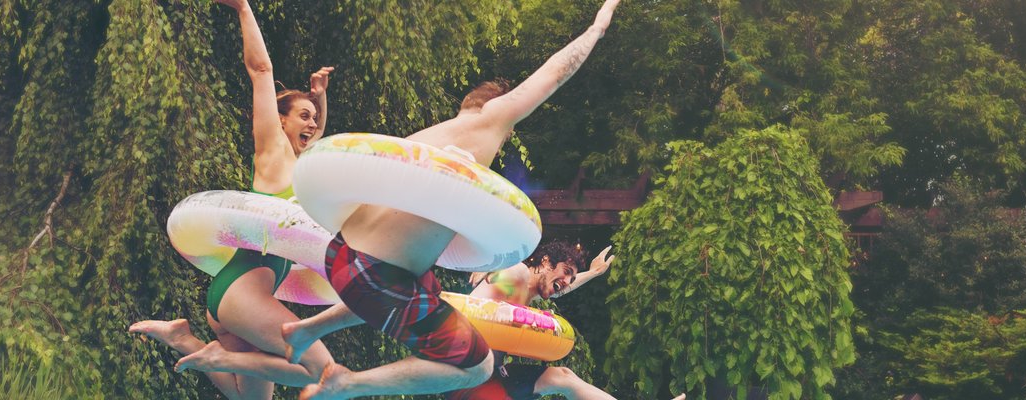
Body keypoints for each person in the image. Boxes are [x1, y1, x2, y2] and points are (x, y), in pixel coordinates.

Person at [277, 1, 624, 399]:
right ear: (493, 106)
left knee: (428, 286)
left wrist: (590, 274)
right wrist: (599, 24)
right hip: (376, 275)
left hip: (342, 256)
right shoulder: (490, 122)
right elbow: (552, 74)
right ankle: (348, 383)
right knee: (478, 367)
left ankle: (308, 329)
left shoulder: (430, 140)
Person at [128, 0, 336, 398]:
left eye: (314, 118)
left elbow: (318, 137)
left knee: (251, 398)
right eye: (304, 116)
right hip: (243, 293)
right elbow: (261, 71)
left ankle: (183, 339)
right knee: (322, 371)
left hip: (245, 295)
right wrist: (242, 8)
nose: (312, 123)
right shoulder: (273, 149)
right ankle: (217, 357)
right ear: (281, 121)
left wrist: (319, 98)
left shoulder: (302, 165)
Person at [451, 242, 683, 400]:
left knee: (562, 377)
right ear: (545, 261)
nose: (566, 281)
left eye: (570, 278)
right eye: (565, 271)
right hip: (470, 375)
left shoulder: (530, 291)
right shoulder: (517, 274)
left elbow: (560, 288)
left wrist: (592, 273)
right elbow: (471, 314)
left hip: (494, 371)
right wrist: (491, 266)